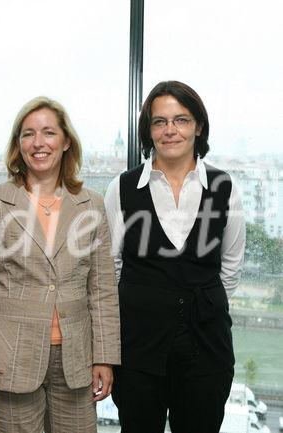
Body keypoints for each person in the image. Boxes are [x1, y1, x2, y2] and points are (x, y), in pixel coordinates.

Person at [0, 96, 120, 433]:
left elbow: (103, 290)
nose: (38, 143)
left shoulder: (91, 204)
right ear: (18, 145)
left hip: (76, 360)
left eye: (49, 133)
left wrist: (105, 357)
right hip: (10, 360)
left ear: (66, 142)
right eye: (28, 134)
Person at [104, 80, 246, 433]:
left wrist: (199, 308)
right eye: (159, 122)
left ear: (198, 126)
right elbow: (111, 268)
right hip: (138, 350)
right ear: (148, 131)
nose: (170, 130)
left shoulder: (225, 188)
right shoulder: (122, 188)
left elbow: (230, 268)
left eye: (181, 120)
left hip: (206, 349)